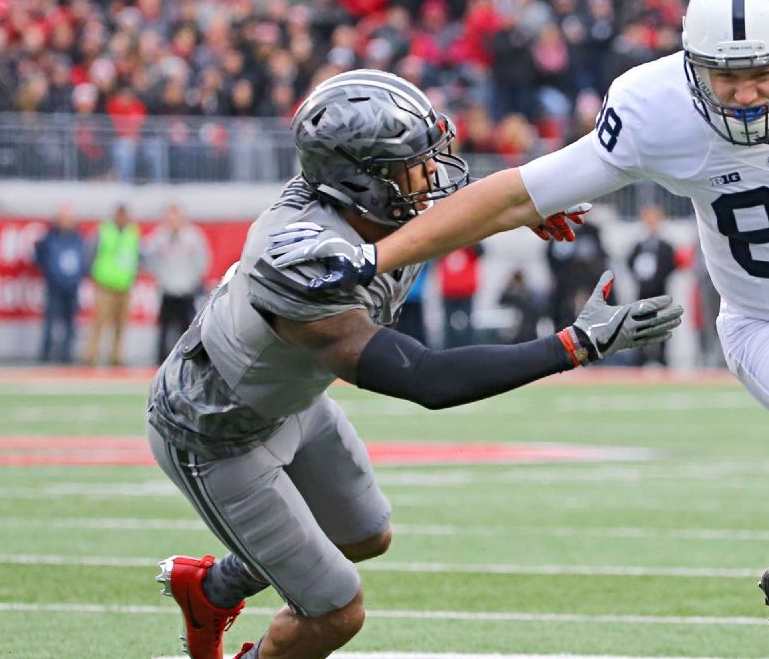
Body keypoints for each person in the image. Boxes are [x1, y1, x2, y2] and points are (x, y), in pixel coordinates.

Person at [272, 0, 769, 659]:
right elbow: (516, 193)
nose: (741, 94)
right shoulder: (658, 109)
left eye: (762, 73)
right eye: (722, 76)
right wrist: (380, 256)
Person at [149, 70, 682, 659]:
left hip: (291, 402)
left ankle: (212, 588)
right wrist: (573, 346)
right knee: (334, 612)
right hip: (216, 431)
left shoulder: (368, 202)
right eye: (415, 163)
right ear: (363, 182)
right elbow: (423, 378)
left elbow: (442, 206)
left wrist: (514, 210)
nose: (434, 174)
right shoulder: (305, 262)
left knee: (366, 534)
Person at [145, 203, 211, 362]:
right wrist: (161, 279)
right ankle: (160, 363)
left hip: (186, 291)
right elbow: (150, 260)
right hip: (167, 290)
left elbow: (202, 261)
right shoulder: (159, 238)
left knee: (186, 330)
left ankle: (186, 362)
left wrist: (192, 281)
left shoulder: (193, 237)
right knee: (164, 331)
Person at [83, 203, 141, 367]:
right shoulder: (104, 231)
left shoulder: (132, 233)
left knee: (120, 324)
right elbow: (90, 253)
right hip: (105, 284)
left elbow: (137, 256)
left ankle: (116, 356)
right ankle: (91, 356)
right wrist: (95, 275)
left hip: (124, 285)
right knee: (99, 322)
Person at [34, 204, 87, 363]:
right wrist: (50, 273)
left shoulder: (78, 238)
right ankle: (46, 355)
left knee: (70, 323)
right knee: (50, 322)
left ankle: (67, 356)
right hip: (54, 286)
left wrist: (78, 277)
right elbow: (39, 258)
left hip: (71, 286)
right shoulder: (50, 237)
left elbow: (83, 260)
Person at [626, 203, 678, 365]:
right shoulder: (639, 245)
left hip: (660, 291)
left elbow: (671, 264)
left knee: (661, 325)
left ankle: (662, 359)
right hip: (643, 292)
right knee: (640, 326)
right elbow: (629, 262)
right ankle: (640, 359)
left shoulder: (665, 246)